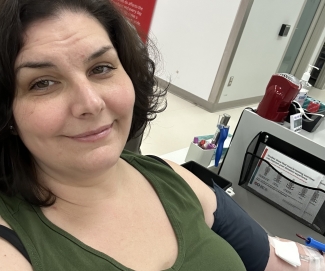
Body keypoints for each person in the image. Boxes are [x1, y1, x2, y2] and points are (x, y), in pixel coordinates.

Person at [0, 0, 323, 270]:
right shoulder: (12, 247)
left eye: (101, 68)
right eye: (42, 82)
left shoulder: (169, 177)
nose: (91, 103)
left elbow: (275, 257)